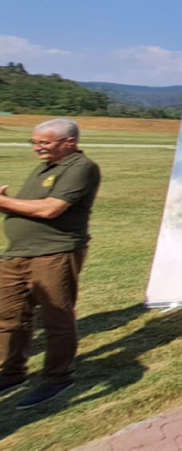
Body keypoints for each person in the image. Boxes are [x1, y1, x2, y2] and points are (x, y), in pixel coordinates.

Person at [0, 118, 100, 408]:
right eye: (34, 142)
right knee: (8, 318)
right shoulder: (46, 166)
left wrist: (3, 203)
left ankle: (58, 377)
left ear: (68, 142)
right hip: (18, 252)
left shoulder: (81, 167)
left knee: (56, 318)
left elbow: (51, 209)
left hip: (55, 253)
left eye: (44, 143)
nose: (37, 148)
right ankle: (11, 372)